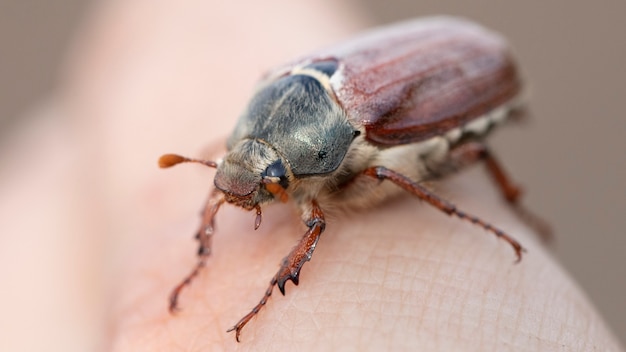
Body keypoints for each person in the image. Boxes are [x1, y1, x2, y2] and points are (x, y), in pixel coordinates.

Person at [0, 1, 621, 351]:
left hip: (475, 76)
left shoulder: (353, 152)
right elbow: (231, 175)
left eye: (268, 183)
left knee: (434, 166)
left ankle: (475, 210)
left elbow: (323, 211)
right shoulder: (260, 114)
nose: (252, 193)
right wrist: (203, 251)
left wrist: (465, 215)